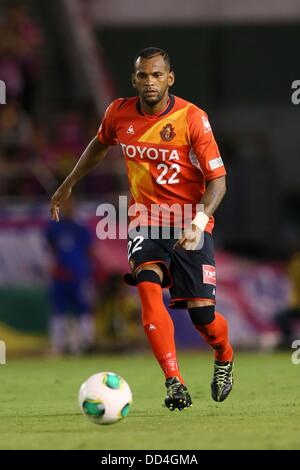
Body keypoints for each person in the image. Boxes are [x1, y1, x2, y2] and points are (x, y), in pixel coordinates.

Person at [50, 47, 234, 410]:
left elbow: (218, 181)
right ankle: (173, 381)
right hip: (146, 221)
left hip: (190, 222)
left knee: (203, 318)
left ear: (170, 78)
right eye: (142, 76)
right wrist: (69, 181)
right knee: (148, 288)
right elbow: (100, 144)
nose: (149, 82)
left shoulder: (192, 118)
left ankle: (225, 357)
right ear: (134, 79)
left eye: (156, 75)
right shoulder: (118, 113)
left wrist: (198, 223)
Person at [46, 196, 95, 355]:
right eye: (64, 204)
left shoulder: (80, 228)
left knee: (83, 309)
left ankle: (87, 344)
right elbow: (50, 248)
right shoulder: (54, 227)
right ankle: (58, 346)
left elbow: (89, 251)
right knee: (58, 310)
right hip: (60, 276)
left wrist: (85, 270)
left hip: (78, 276)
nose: (67, 207)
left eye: (70, 204)